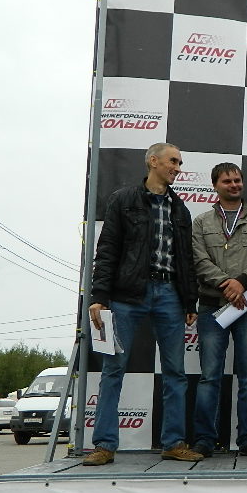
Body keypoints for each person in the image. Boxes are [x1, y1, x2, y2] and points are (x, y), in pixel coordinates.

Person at [84, 143, 203, 465]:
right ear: (153, 161)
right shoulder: (123, 200)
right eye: (173, 161)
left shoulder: (181, 209)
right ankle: (104, 445)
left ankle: (174, 442)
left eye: (180, 162)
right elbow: (107, 249)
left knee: (175, 372)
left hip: (170, 294)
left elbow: (186, 260)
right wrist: (99, 297)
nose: (177, 168)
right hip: (127, 295)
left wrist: (189, 300)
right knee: (113, 369)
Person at [190, 163, 247, 458]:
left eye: (237, 180)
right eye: (227, 181)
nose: (234, 185)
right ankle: (204, 440)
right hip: (211, 306)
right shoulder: (201, 221)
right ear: (215, 185)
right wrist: (227, 285)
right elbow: (199, 260)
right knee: (209, 377)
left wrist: (241, 282)